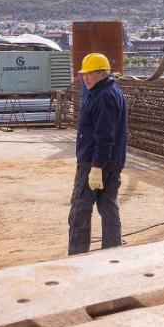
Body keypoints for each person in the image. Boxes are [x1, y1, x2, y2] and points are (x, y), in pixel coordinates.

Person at [68, 52, 127, 255]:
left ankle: (77, 255)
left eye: (90, 74)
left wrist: (96, 167)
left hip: (95, 163)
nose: (86, 78)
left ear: (102, 73)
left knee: (80, 209)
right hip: (111, 163)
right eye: (84, 74)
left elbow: (105, 136)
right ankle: (112, 252)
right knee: (108, 205)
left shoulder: (103, 97)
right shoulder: (110, 91)